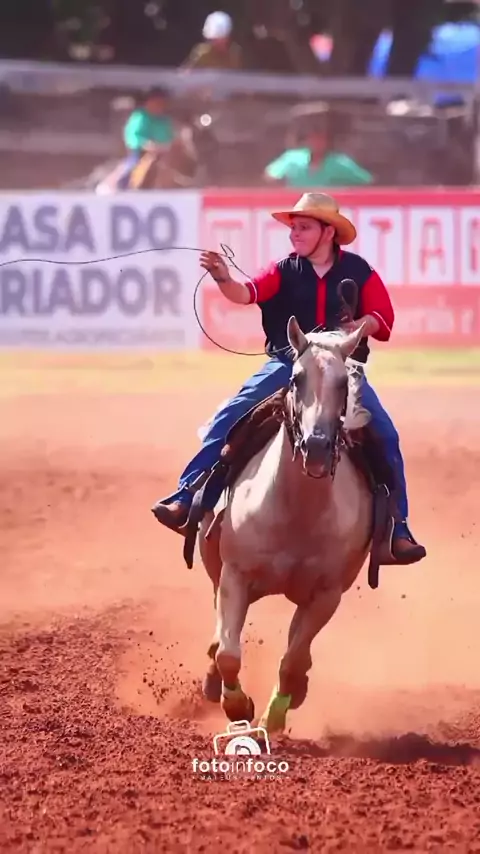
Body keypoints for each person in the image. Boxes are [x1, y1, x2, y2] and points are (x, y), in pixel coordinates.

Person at [152, 192, 426, 567]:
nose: (294, 234)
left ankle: (397, 529)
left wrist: (359, 326)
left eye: (304, 227)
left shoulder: (360, 271)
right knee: (231, 416)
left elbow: (382, 318)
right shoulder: (283, 269)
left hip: (341, 369)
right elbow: (245, 293)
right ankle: (187, 498)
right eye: (293, 227)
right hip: (288, 363)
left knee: (385, 435)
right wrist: (223, 278)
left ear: (328, 232)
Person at [264, 114, 373, 188]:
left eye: (321, 139)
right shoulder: (292, 158)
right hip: (295, 207)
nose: (317, 142)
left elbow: (366, 181)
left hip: (328, 209)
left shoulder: (340, 162)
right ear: (307, 140)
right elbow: (270, 175)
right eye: (313, 138)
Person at [115, 88, 175, 190]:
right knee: (132, 165)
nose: (160, 105)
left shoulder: (165, 120)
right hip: (142, 152)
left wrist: (166, 145)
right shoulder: (139, 116)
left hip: (164, 152)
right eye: (157, 102)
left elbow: (170, 136)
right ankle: (121, 186)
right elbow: (132, 135)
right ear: (149, 102)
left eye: (162, 103)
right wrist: (146, 144)